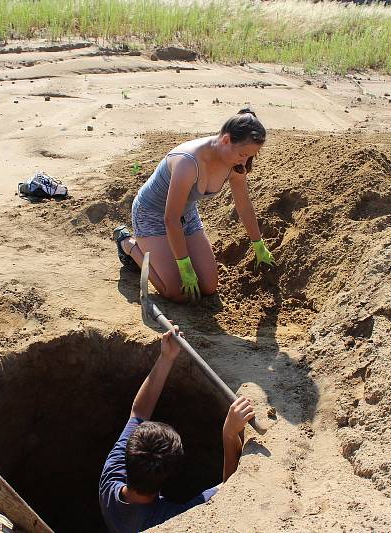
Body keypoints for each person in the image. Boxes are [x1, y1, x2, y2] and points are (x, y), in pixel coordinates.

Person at [99, 325, 255, 533]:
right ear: (172, 476)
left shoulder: (110, 481)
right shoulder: (169, 521)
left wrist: (166, 358)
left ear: (127, 458)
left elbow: (138, 413)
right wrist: (229, 434)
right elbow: (229, 490)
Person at [113, 108, 276, 303]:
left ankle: (163, 254)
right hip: (152, 215)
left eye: (251, 156)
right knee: (175, 292)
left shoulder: (235, 164)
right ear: (226, 140)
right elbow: (169, 218)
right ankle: (128, 244)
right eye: (243, 154)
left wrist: (258, 243)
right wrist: (184, 265)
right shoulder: (188, 161)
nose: (246, 161)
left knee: (208, 286)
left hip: (187, 215)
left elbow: (244, 205)